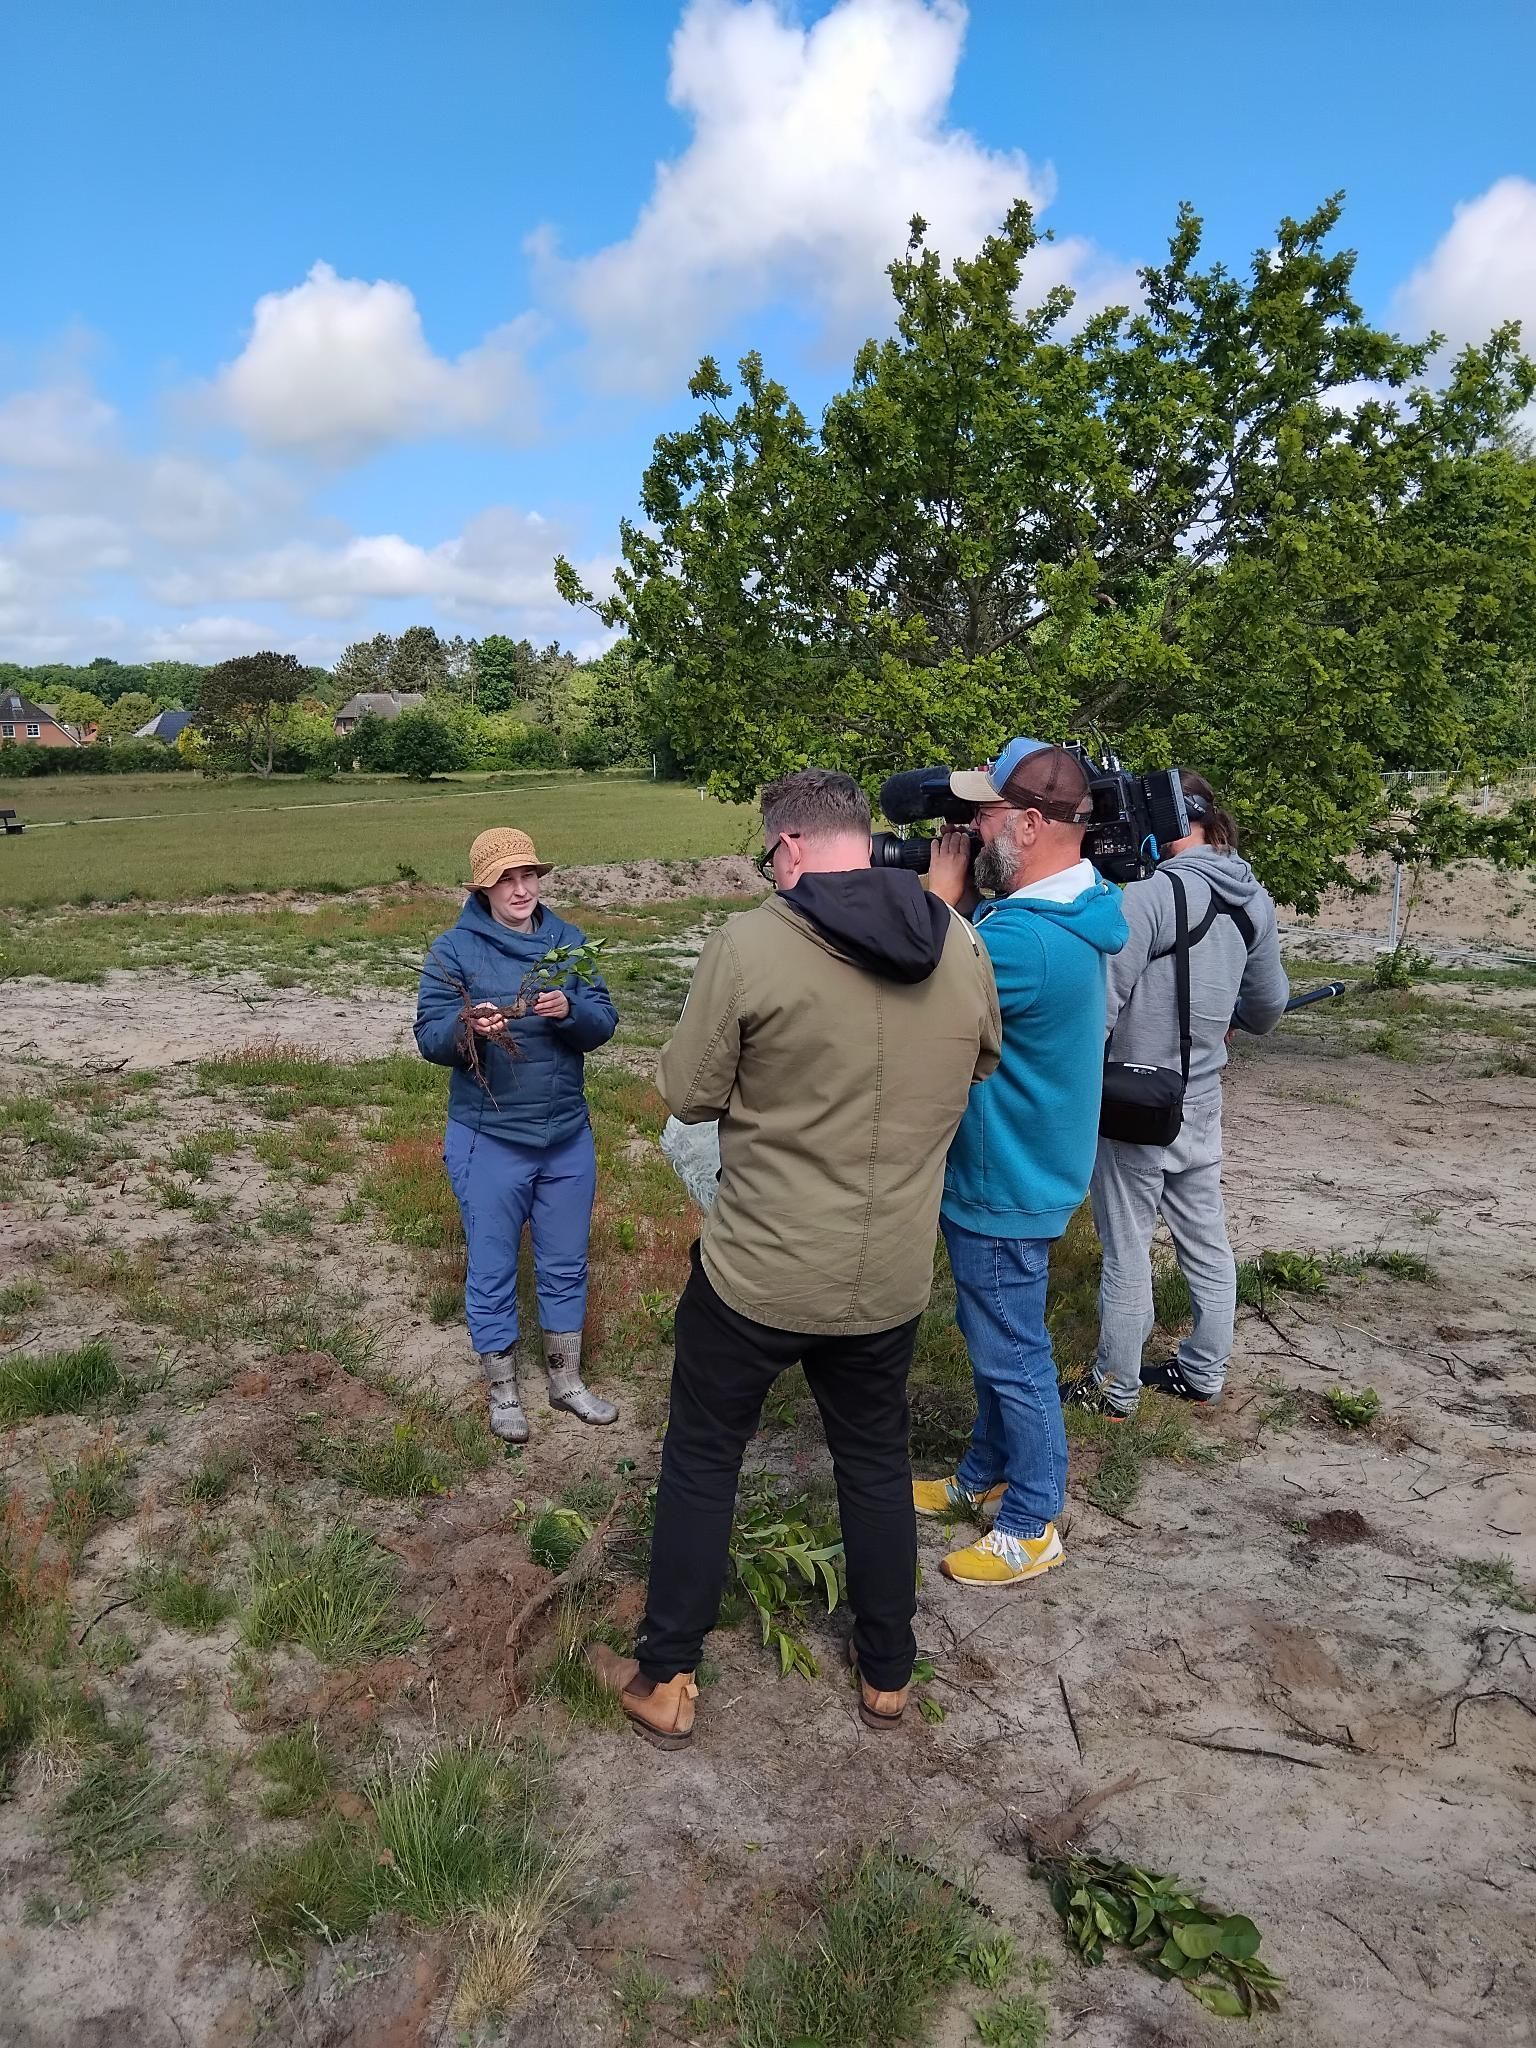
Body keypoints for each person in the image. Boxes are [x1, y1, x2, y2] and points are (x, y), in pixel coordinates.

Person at [591, 769, 1001, 1747]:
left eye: (768, 855)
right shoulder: (961, 940)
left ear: (789, 847)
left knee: (703, 1456)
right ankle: (887, 1672)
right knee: (875, 1460)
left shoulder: (751, 944)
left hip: (758, 1272)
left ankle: (667, 1674)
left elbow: (688, 1093)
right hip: (889, 1274)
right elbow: (982, 1061)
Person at [919, 739, 1129, 1589]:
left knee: (1013, 1352)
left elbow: (915, 991)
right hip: (1020, 1168)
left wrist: (939, 903)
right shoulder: (1067, 912)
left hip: (1006, 1180)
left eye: (985, 815)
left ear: (1033, 825)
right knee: (993, 1336)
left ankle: (1032, 1520)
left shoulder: (1025, 942)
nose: (970, 830)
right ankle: (984, 1470)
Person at [1068, 771, 1288, 1416]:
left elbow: (1101, 1005)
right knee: (1206, 1240)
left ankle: (1115, 1388)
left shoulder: (1150, 895)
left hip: (1133, 1100)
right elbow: (1267, 1009)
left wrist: (1070, 1082)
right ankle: (1203, 1371)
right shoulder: (1253, 899)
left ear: (1166, 818)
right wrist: (1223, 1013)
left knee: (1127, 1249)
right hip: (1201, 1096)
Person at [414, 826, 620, 1442]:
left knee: (565, 1261)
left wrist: (571, 1012)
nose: (521, 889)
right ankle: (503, 1389)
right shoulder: (454, 950)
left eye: (528, 875)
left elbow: (603, 1020)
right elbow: (429, 1037)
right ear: (483, 888)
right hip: (490, 1138)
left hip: (565, 1136)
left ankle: (565, 1381)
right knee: (493, 1265)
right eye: (505, 879)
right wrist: (468, 1028)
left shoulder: (569, 943)